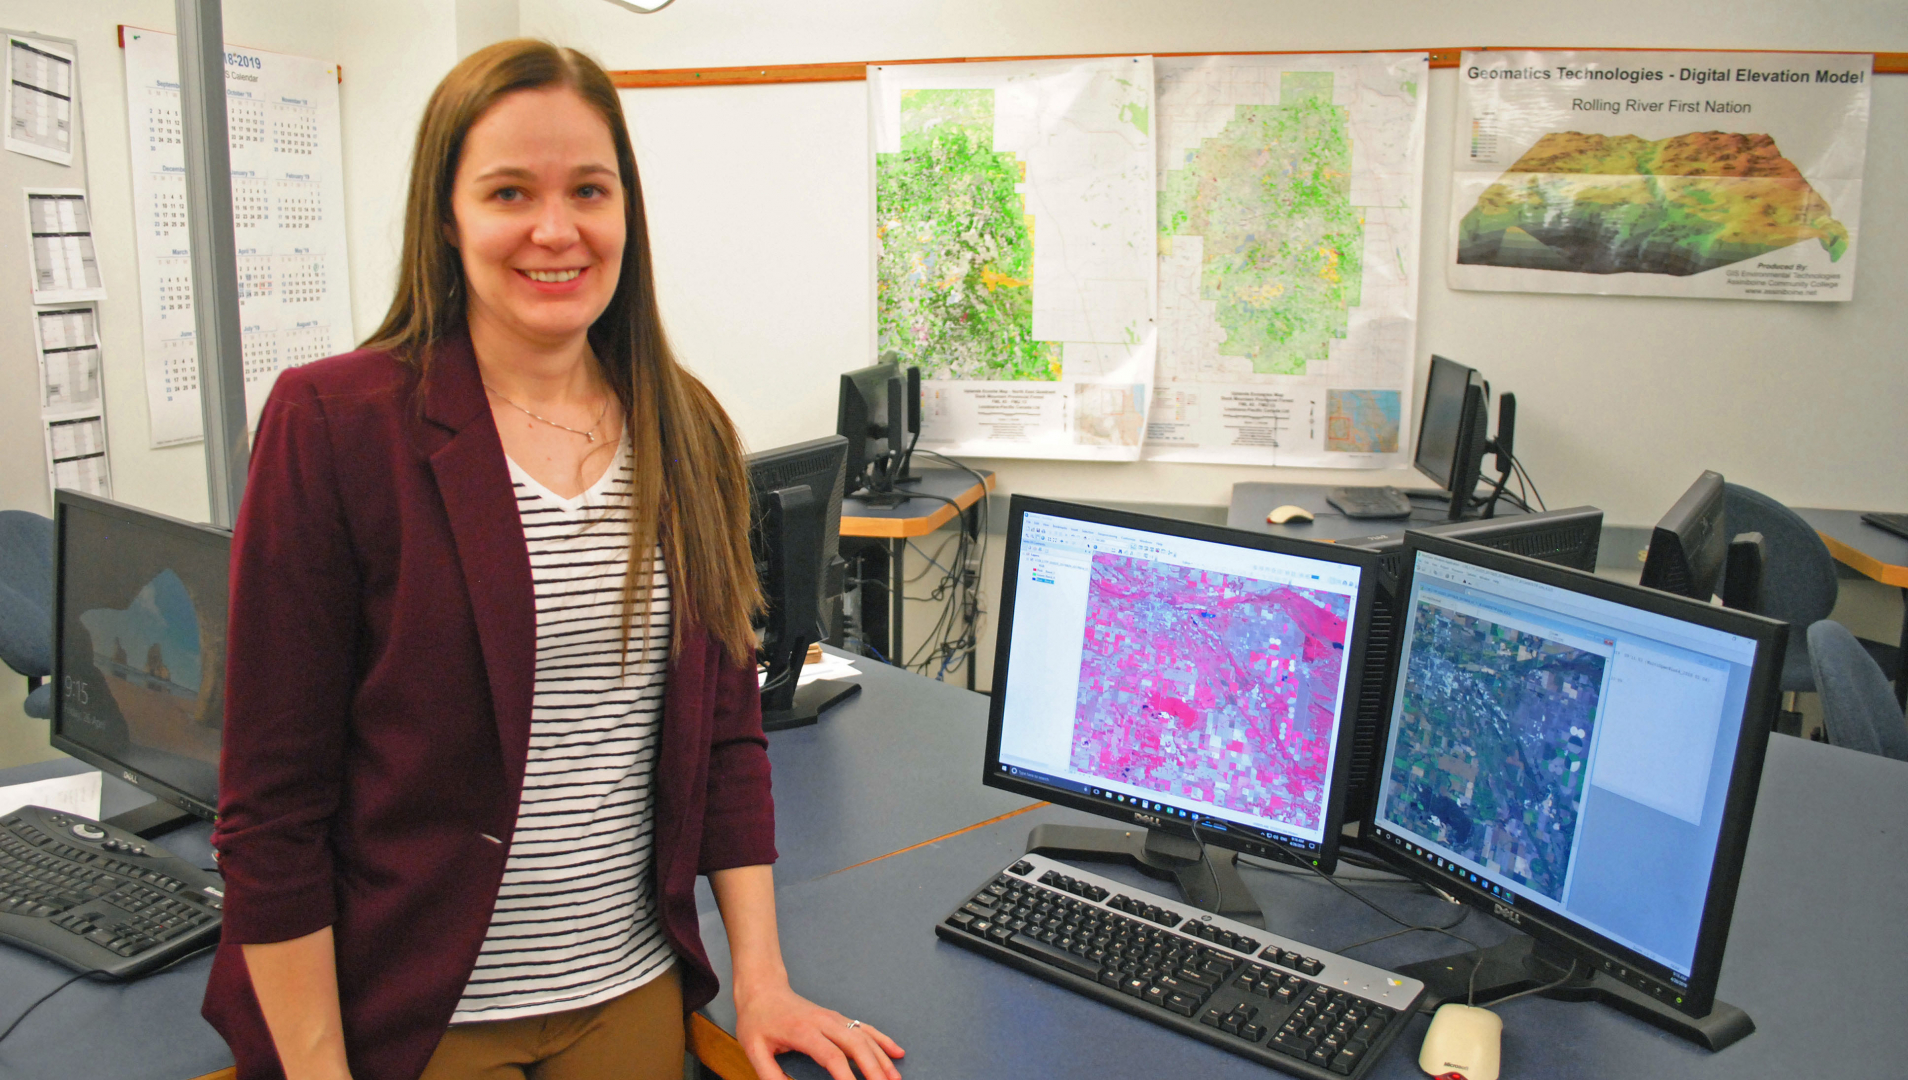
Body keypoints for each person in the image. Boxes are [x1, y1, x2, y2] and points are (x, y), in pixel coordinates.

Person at [201, 39, 904, 1080]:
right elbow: (271, 805)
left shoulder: (687, 429)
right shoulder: (336, 425)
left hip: (623, 991)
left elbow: (724, 740)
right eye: (507, 191)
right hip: (409, 1011)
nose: (555, 228)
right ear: (447, 216)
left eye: (589, 188)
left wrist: (760, 979)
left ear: (628, 211)